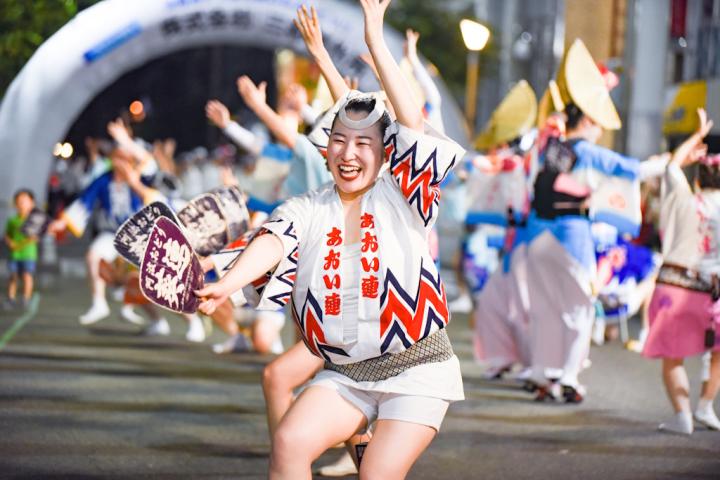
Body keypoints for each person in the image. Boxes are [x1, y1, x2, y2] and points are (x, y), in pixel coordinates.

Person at [196, 1, 465, 478]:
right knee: (290, 441)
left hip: (417, 368)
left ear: (387, 155)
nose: (348, 152)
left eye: (364, 145)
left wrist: (375, 41)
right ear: (325, 147)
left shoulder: (404, 192)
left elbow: (408, 123)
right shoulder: (309, 205)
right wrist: (226, 282)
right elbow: (273, 240)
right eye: (337, 141)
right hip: (347, 370)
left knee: (376, 473)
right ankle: (354, 438)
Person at [525, 39, 643, 402]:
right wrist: (670, 163)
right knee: (578, 312)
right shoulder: (588, 151)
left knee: (548, 311)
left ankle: (547, 376)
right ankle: (568, 378)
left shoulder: (547, 148)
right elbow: (630, 168)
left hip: (538, 236)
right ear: (588, 119)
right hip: (573, 237)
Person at [642, 109, 720, 435]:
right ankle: (706, 405)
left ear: (698, 178)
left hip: (674, 287)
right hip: (713, 293)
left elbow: (672, 165)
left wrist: (696, 138)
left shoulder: (685, 200)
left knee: (672, 356)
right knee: (717, 352)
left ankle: (683, 415)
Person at [4, 189, 39, 309]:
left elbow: (36, 237)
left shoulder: (33, 221)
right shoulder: (12, 220)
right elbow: (7, 234)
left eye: (24, 201)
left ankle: (26, 298)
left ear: (32, 203)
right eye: (19, 202)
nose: (21, 204)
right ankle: (10, 298)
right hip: (14, 254)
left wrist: (27, 241)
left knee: (27, 276)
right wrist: (10, 243)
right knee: (13, 276)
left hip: (28, 254)